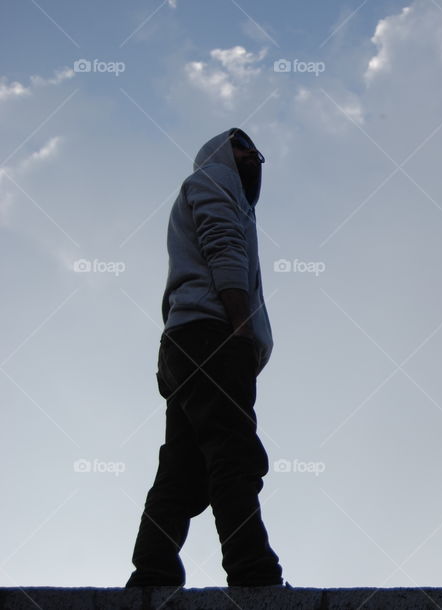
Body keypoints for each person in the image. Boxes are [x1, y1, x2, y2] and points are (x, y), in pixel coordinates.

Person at [125, 128, 284, 588]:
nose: (253, 157)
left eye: (257, 152)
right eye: (244, 147)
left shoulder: (215, 189)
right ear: (221, 151)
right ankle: (254, 574)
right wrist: (238, 328)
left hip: (188, 342)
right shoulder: (215, 179)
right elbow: (223, 248)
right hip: (213, 337)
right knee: (233, 455)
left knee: (182, 468)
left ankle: (152, 575)